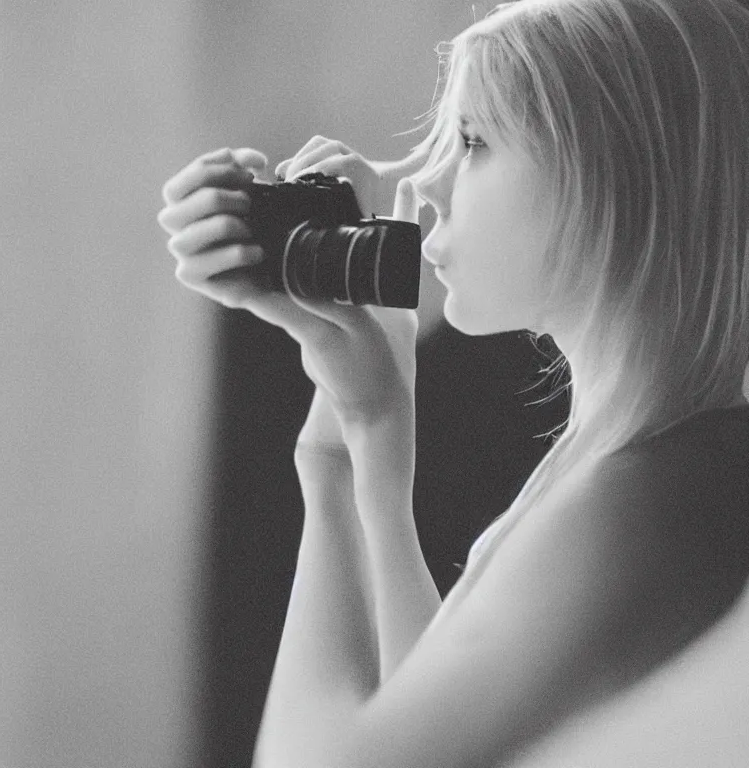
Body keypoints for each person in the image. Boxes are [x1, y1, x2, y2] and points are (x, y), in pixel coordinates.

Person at [157, 0, 749, 764]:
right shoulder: (633, 459)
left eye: (472, 141)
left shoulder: (661, 494)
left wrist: (331, 471)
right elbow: (428, 714)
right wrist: (367, 426)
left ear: (620, 173)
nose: (425, 185)